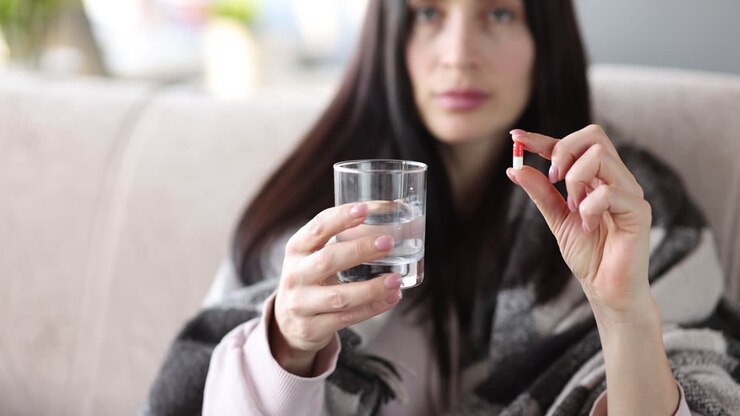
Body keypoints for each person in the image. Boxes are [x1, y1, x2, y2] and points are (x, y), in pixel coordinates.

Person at [143, 1, 740, 415]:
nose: (458, 54)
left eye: (499, 13)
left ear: (545, 40)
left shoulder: (627, 205)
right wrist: (286, 345)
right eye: (429, 13)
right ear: (391, 33)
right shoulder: (297, 213)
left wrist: (625, 315)